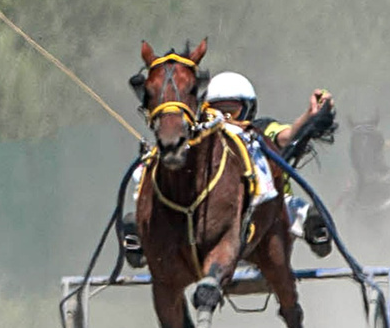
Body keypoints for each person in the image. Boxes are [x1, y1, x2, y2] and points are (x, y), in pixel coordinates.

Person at [118, 71, 336, 266]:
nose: (225, 120)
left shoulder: (261, 131)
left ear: (248, 110)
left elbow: (287, 136)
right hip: (211, 217)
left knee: (300, 210)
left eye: (232, 112)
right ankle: (142, 239)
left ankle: (317, 233)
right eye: (217, 112)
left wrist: (310, 115)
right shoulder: (202, 142)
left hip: (268, 211)